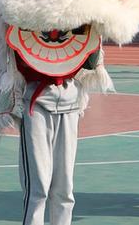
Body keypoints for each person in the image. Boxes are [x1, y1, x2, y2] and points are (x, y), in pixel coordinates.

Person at [19, 49, 102, 225]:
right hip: (36, 102)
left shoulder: (79, 24)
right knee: (37, 186)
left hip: (70, 102)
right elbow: (16, 54)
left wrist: (96, 30)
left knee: (64, 188)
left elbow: (91, 61)